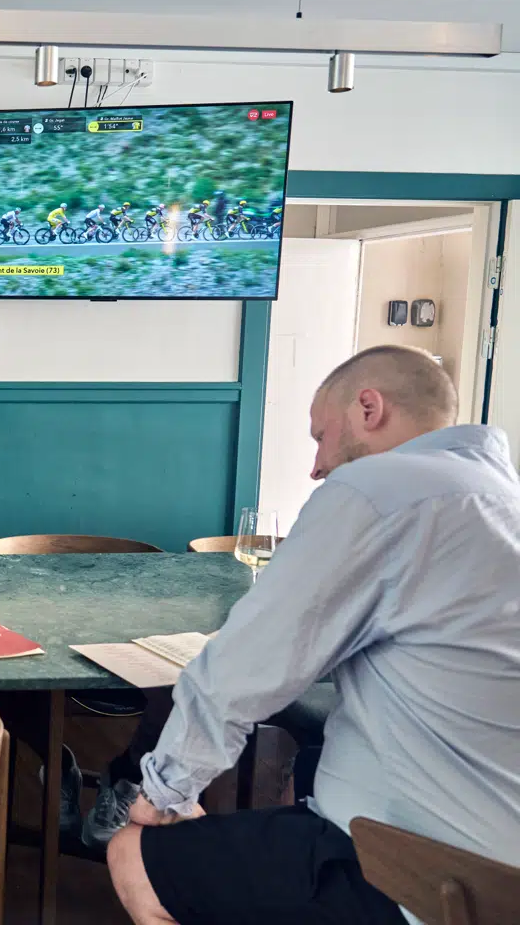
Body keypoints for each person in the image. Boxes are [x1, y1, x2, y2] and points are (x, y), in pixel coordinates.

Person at [107, 345, 520, 925]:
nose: (317, 465)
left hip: (438, 879)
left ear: (369, 408)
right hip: (500, 851)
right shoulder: (499, 496)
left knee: (133, 853)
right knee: (305, 769)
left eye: (321, 436)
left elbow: (240, 672)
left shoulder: (379, 490)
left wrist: (162, 796)